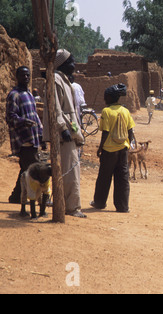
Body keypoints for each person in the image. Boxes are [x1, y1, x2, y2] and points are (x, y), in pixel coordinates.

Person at [43, 49, 86, 218]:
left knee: (70, 170)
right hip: (64, 134)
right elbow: (56, 109)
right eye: (71, 62)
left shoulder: (64, 81)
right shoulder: (55, 81)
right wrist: (63, 128)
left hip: (70, 131)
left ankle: (69, 204)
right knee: (70, 172)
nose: (74, 65)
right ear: (63, 64)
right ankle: (72, 207)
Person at [91, 84, 135, 213]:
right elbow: (130, 131)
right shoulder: (125, 111)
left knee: (104, 177)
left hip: (109, 150)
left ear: (110, 97)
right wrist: (127, 145)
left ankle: (99, 203)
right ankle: (123, 206)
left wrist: (100, 148)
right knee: (122, 178)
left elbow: (105, 132)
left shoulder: (106, 111)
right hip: (123, 150)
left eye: (105, 97)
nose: (104, 100)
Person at [6, 66, 44, 207]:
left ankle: (16, 196)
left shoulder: (28, 94)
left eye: (28, 75)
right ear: (17, 77)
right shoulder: (14, 95)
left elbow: (35, 116)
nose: (26, 78)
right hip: (23, 139)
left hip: (33, 138)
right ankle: (41, 198)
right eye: (23, 75)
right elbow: (10, 118)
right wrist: (24, 121)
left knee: (25, 168)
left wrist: (40, 134)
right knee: (35, 168)